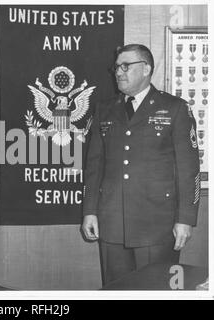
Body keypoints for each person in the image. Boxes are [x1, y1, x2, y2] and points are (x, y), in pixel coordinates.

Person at [82, 44, 200, 285]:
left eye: (126, 66)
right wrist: (90, 211)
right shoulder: (104, 109)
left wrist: (185, 219)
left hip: (156, 224)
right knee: (116, 290)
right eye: (116, 67)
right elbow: (94, 167)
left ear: (146, 69)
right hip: (112, 221)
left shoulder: (175, 109)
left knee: (154, 290)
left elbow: (189, 170)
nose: (118, 72)